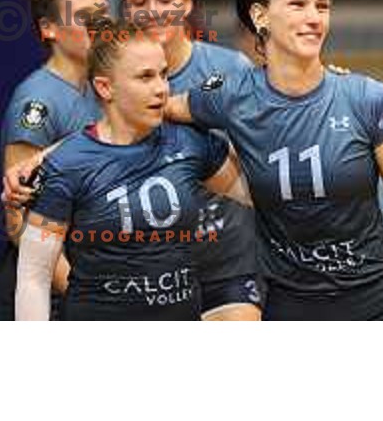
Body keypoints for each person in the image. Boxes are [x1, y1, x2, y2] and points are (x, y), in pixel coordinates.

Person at [166, 0, 383, 320]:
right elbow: (161, 107)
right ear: (260, 16)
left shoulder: (366, 98)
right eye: (298, 4)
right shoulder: (232, 96)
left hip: (379, 304)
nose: (314, 18)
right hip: (292, 306)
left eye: (322, 6)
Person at [16, 21, 251, 320]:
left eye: (164, 74)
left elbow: (261, 194)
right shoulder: (67, 163)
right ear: (105, 87)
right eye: (145, 77)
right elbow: (34, 276)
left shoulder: (190, 141)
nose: (161, 89)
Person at [121, 0, 261, 320]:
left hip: (229, 267)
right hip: (149, 275)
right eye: (139, 2)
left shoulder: (232, 69)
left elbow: (268, 160)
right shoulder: (113, 84)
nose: (153, 10)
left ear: (187, 1)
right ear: (125, 10)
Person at [0, 0, 108, 320]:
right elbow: (19, 221)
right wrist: (79, 293)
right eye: (85, 16)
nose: (100, 24)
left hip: (91, 272)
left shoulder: (103, 86)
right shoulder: (37, 101)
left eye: (103, 12)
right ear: (49, 29)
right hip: (52, 290)